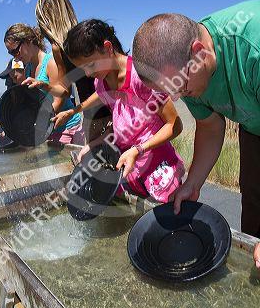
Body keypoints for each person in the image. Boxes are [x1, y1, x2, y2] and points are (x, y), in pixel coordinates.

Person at [131, 0, 260, 266]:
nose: (178, 98)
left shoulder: (252, 46)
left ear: (199, 52)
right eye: (170, 91)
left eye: (181, 87)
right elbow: (210, 126)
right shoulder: (184, 70)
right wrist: (193, 182)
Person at [64, 19, 185, 202]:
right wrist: (92, 144)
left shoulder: (140, 76)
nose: (87, 74)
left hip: (159, 170)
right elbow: (122, 126)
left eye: (90, 66)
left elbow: (174, 125)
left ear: (107, 47)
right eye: (82, 70)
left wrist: (139, 149)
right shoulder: (102, 83)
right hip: (130, 168)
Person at [30, 0, 111, 142]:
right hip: (92, 116)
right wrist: (44, 85)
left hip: (111, 110)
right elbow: (65, 91)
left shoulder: (85, 37)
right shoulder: (57, 48)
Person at [4, 23, 83, 145]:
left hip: (67, 128)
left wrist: (38, 123)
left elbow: (59, 101)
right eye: (11, 54)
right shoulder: (29, 68)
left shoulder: (50, 63)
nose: (15, 57)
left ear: (28, 41)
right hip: (49, 129)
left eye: (15, 51)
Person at [0, 59, 26, 133]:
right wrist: (0, 124)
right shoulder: (14, 86)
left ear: (25, 71)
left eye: (15, 77)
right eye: (12, 78)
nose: (14, 81)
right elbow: (15, 110)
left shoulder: (35, 89)